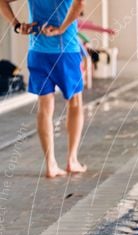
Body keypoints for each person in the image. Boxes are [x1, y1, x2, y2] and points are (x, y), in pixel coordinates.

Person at [0, 0, 87, 178]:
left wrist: (17, 25)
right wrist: (61, 29)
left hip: (38, 51)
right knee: (75, 102)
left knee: (45, 107)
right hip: (66, 51)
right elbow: (79, 5)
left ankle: (50, 164)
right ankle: (72, 160)